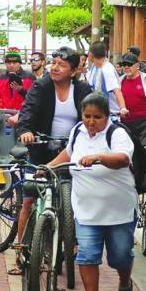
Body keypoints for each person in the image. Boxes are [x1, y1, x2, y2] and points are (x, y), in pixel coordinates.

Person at [47, 92, 137, 291]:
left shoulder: (117, 134)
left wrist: (98, 157)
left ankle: (125, 283)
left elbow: (123, 159)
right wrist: (48, 167)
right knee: (86, 255)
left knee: (120, 256)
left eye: (97, 117)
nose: (91, 122)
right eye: (87, 116)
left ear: (107, 116)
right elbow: (68, 152)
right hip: (85, 209)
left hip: (118, 210)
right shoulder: (77, 131)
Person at [11, 47, 92, 273]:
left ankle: (72, 241)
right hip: (40, 148)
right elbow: (27, 111)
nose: (55, 68)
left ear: (74, 71)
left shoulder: (84, 89)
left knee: (77, 199)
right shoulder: (41, 86)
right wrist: (26, 131)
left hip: (72, 152)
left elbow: (95, 115)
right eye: (53, 63)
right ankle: (21, 251)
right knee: (29, 199)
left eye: (62, 65)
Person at [118, 52, 146, 146]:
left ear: (137, 65)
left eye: (129, 64)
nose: (126, 67)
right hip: (125, 123)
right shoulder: (120, 81)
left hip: (144, 123)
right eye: (124, 64)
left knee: (145, 153)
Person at [0, 47, 34, 120]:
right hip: (3, 117)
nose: (11, 65)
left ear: (19, 63)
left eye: (15, 62)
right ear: (5, 64)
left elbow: (33, 99)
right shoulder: (0, 78)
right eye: (9, 63)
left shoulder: (29, 77)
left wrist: (21, 90)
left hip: (22, 117)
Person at [85, 42, 127, 119]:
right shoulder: (94, 67)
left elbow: (117, 90)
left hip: (110, 114)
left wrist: (123, 108)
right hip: (97, 111)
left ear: (90, 55)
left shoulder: (107, 69)